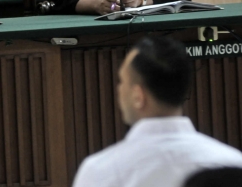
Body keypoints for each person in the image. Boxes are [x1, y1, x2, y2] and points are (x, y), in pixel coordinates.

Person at [72, 36, 242, 187]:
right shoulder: (233, 163)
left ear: (138, 96)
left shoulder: (99, 172)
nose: (119, 89)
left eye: (122, 81)